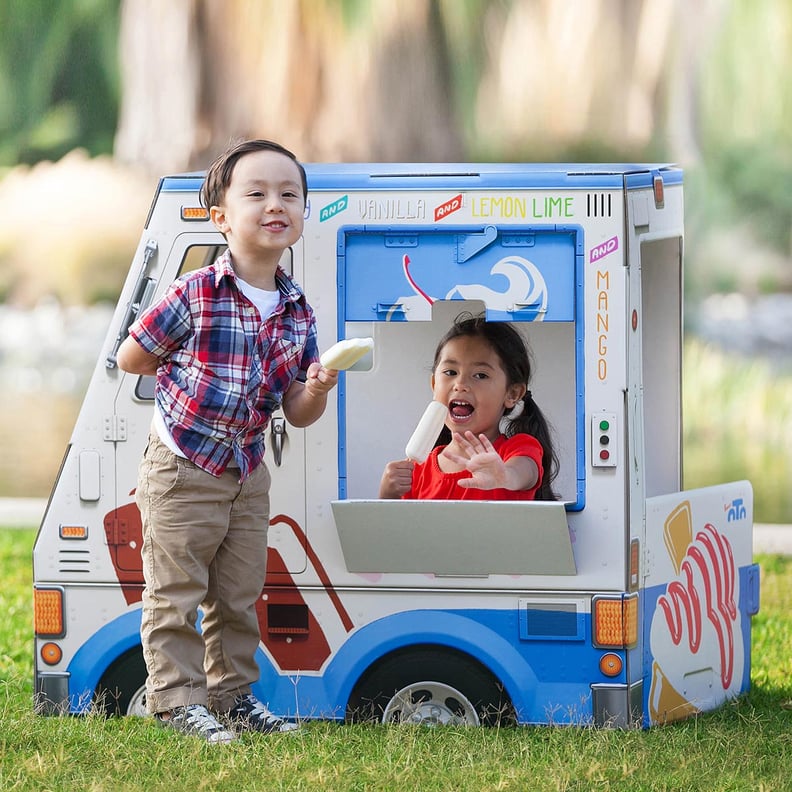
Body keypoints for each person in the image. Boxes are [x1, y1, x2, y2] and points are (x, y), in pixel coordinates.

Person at [116, 139, 338, 743]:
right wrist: (182, 374)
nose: (276, 205)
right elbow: (133, 356)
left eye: (289, 195)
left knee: (238, 594)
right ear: (221, 218)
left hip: (245, 469)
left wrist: (317, 388)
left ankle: (233, 699)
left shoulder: (298, 313)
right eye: (257, 193)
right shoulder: (197, 292)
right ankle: (177, 703)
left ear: (302, 215)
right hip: (184, 463)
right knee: (176, 588)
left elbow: (297, 409)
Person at [379, 313, 558, 501]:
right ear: (434, 385)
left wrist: (505, 475)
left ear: (512, 394)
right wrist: (386, 495)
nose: (460, 384)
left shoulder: (516, 451)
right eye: (450, 372)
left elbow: (524, 472)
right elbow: (396, 529)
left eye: (480, 375)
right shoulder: (416, 472)